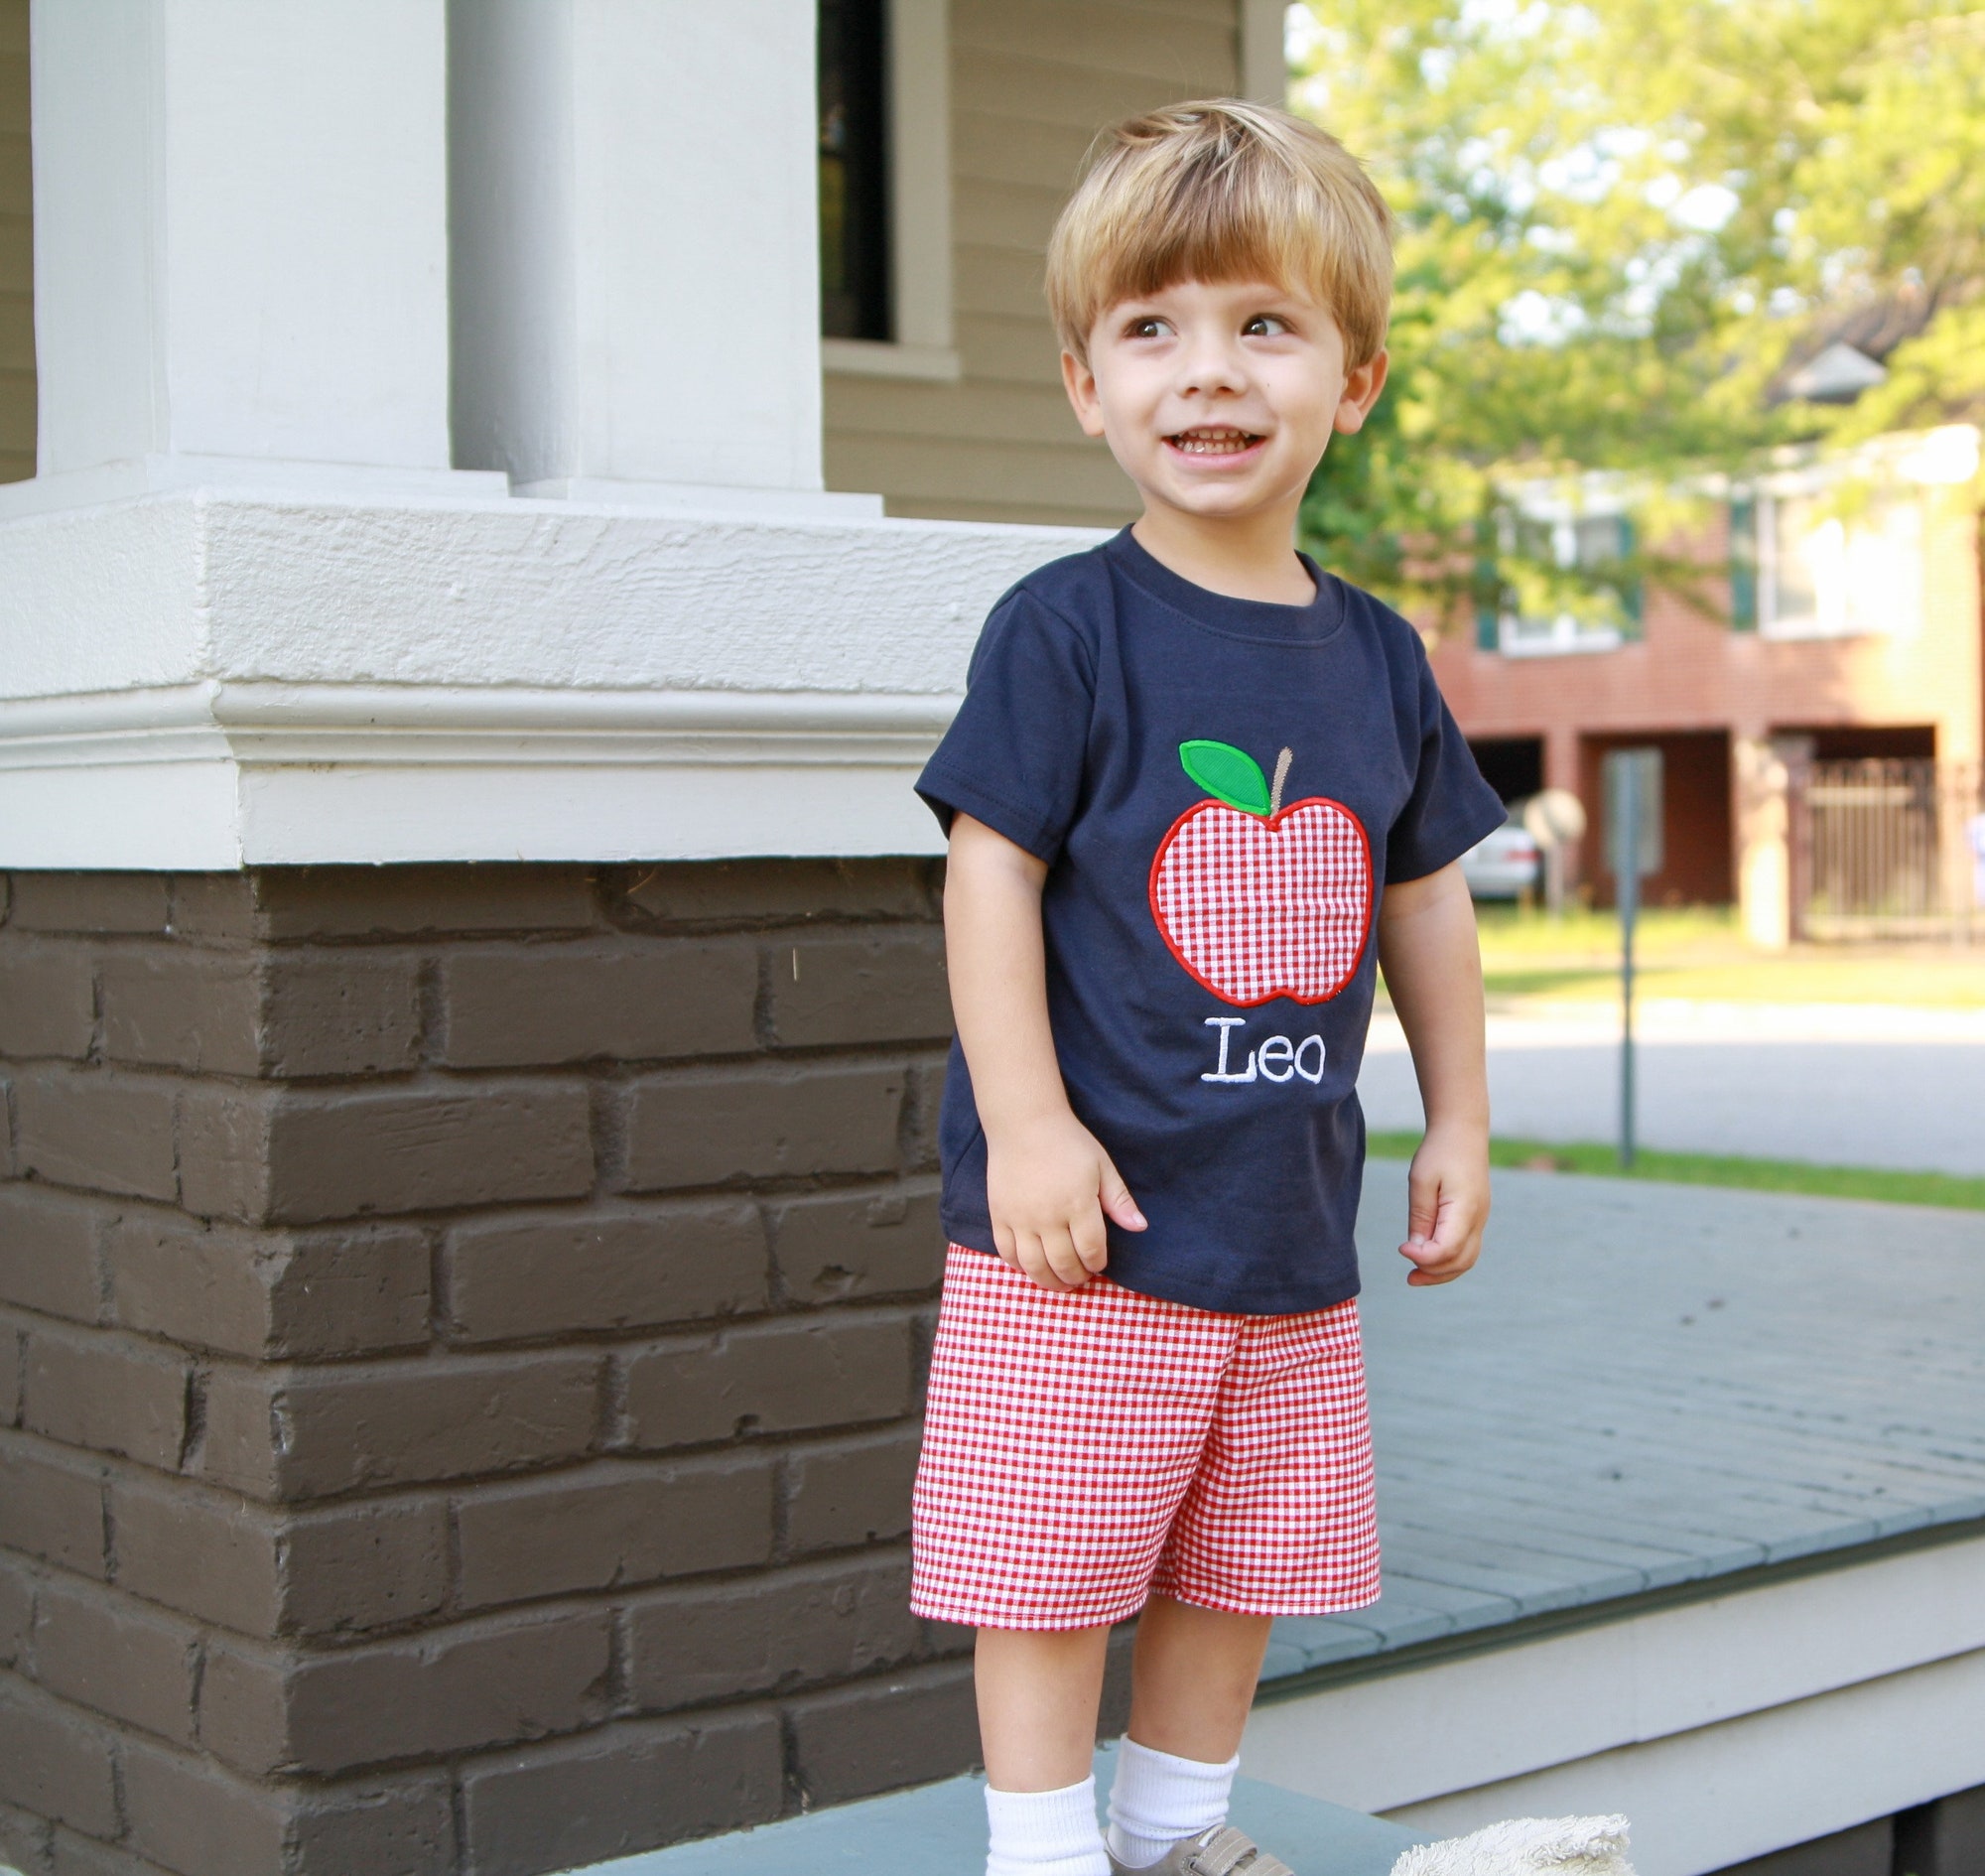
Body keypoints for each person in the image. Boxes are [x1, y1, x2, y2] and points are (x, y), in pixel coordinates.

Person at [910, 100, 1505, 1876]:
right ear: (1088, 385)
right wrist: (1025, 1123)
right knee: (1053, 1548)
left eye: (1264, 325)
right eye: (1152, 330)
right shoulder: (1067, 629)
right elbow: (987, 869)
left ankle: (1177, 1831)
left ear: (1358, 376)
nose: (1209, 373)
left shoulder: (1378, 654)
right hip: (1086, 1215)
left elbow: (1426, 899)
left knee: (1241, 1547)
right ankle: (1041, 1847)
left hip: (1280, 1214)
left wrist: (1460, 1113)